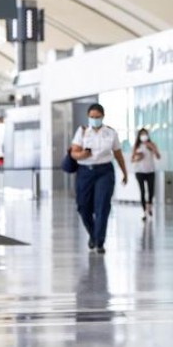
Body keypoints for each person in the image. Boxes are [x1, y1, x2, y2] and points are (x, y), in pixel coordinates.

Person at [70, 103, 128, 254]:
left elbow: (118, 154)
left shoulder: (110, 133)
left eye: (97, 117)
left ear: (102, 117)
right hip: (85, 172)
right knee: (83, 207)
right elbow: (73, 152)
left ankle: (99, 242)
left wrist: (124, 172)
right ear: (88, 117)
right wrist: (81, 155)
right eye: (92, 117)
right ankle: (93, 234)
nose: (94, 119)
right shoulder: (82, 131)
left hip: (104, 172)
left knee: (102, 206)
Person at [130, 128, 161, 220]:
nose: (144, 136)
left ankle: (149, 208)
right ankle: (144, 212)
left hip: (150, 170)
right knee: (142, 191)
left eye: (145, 134)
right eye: (142, 134)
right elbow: (132, 159)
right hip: (139, 171)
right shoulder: (136, 146)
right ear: (139, 136)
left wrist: (153, 148)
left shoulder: (152, 144)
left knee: (151, 191)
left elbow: (158, 156)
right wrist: (138, 158)